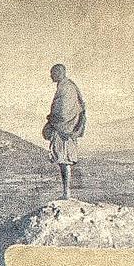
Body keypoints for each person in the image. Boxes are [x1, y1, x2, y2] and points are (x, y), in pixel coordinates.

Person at [43, 63, 86, 198]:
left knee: (64, 160)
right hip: (65, 128)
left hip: (64, 129)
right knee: (63, 161)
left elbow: (63, 111)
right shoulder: (65, 86)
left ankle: (66, 193)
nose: (51, 76)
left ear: (59, 73)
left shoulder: (66, 87)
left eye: (52, 73)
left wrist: (51, 119)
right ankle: (65, 192)